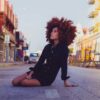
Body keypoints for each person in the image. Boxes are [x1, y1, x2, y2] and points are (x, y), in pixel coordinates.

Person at [12, 17, 78, 87]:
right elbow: (40, 62)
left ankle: (30, 80)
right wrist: (31, 73)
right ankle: (31, 78)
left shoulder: (64, 49)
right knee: (14, 81)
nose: (52, 33)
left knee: (23, 82)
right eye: (52, 31)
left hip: (47, 77)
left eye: (55, 31)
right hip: (39, 71)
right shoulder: (48, 47)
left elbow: (64, 65)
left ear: (61, 33)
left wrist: (65, 81)